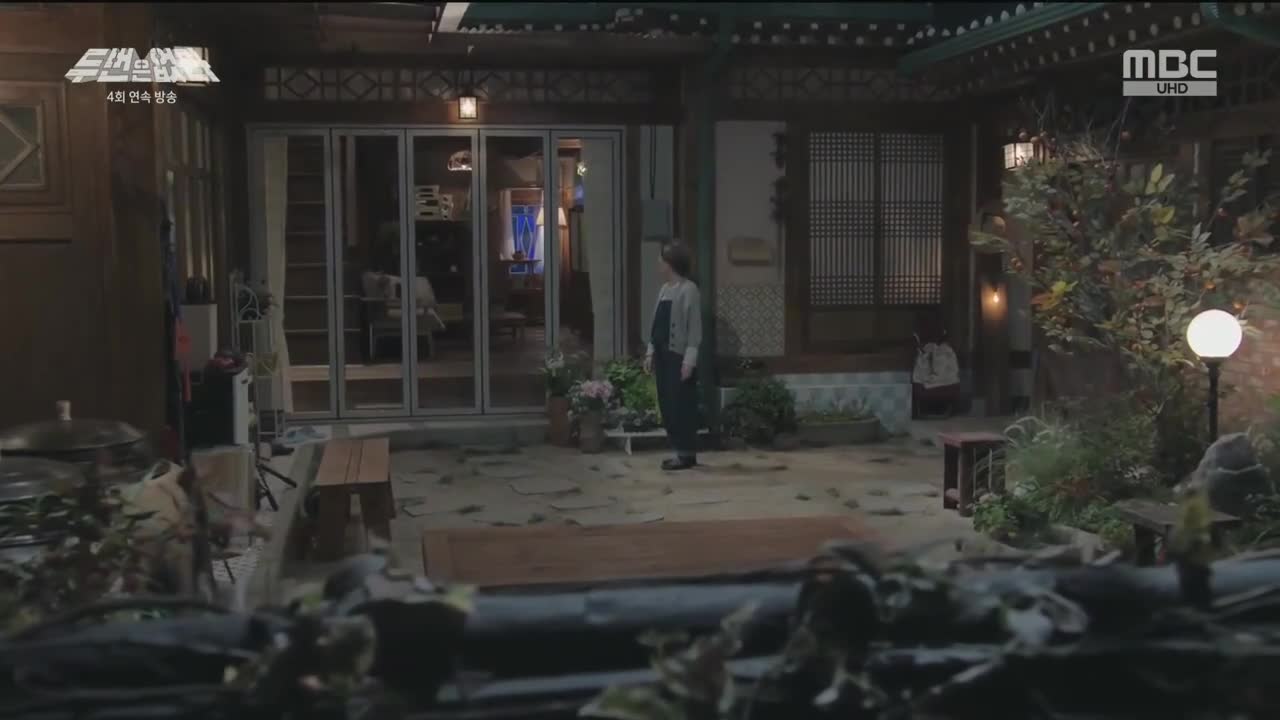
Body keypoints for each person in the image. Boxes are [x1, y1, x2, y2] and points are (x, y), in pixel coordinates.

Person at [644, 241, 702, 471]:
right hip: (662, 354)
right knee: (667, 403)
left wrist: (689, 360)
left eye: (662, 259)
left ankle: (686, 453)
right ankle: (677, 450)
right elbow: (655, 325)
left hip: (678, 355)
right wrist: (650, 352)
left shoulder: (689, 289)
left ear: (671, 262)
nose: (658, 263)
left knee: (681, 405)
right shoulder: (664, 289)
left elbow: (694, 330)